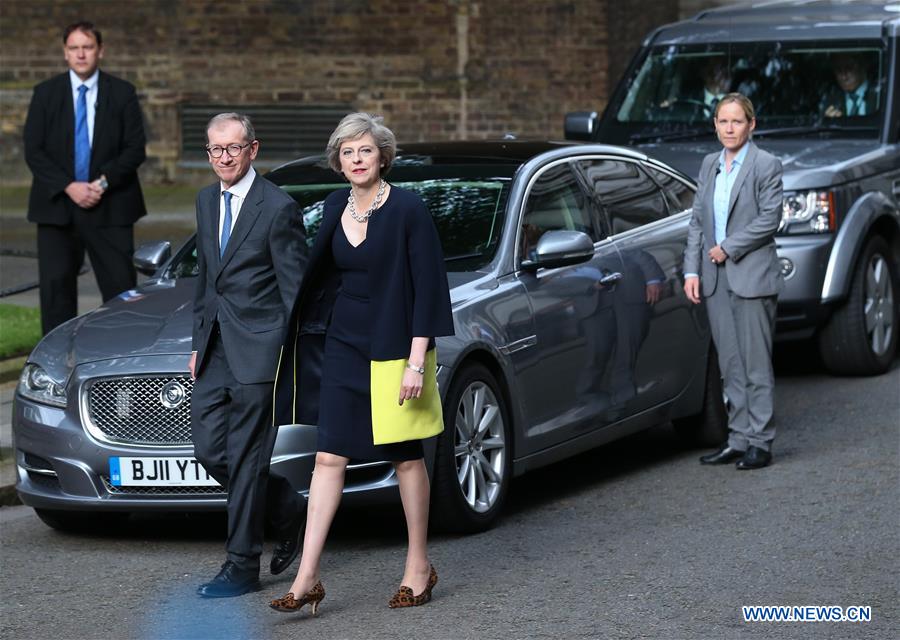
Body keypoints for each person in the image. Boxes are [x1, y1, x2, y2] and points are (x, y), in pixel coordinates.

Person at [269, 113, 454, 615]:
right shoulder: (335, 205)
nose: (356, 160)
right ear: (338, 160)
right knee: (328, 457)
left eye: (365, 150)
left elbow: (428, 287)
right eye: (347, 152)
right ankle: (307, 576)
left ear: (383, 157)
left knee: (405, 456)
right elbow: (320, 275)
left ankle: (418, 565)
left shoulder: (408, 209)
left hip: (395, 347)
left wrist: (417, 362)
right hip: (343, 344)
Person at [190, 113, 308, 598]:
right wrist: (197, 343)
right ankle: (287, 506)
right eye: (215, 149)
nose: (224, 158)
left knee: (244, 458)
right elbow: (207, 279)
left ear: (252, 149)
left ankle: (241, 566)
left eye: (233, 148)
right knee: (209, 450)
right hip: (215, 348)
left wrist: (288, 357)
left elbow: (296, 291)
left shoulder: (278, 208)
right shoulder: (205, 200)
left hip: (261, 353)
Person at [23, 21, 147, 335]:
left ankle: (121, 356)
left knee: (121, 292)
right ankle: (56, 362)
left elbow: (135, 149)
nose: (81, 54)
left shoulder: (122, 93)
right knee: (56, 293)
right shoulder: (45, 93)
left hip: (111, 205)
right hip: (57, 208)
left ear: (100, 51)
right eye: (74, 48)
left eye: (87, 47)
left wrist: (100, 185)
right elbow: (34, 150)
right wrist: (69, 187)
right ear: (65, 53)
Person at [683, 93, 783, 470]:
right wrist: (691, 271)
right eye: (723, 122)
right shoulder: (710, 164)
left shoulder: (766, 164)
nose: (729, 129)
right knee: (730, 365)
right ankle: (738, 438)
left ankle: (761, 441)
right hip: (714, 278)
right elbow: (697, 221)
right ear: (715, 125)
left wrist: (728, 247)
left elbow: (770, 219)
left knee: (755, 364)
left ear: (751, 125)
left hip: (752, 275)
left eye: (737, 121)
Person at [821, 53, 877, 118]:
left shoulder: (880, 94)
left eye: (849, 68)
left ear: (863, 65)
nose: (844, 77)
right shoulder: (830, 101)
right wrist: (828, 121)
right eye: (838, 70)